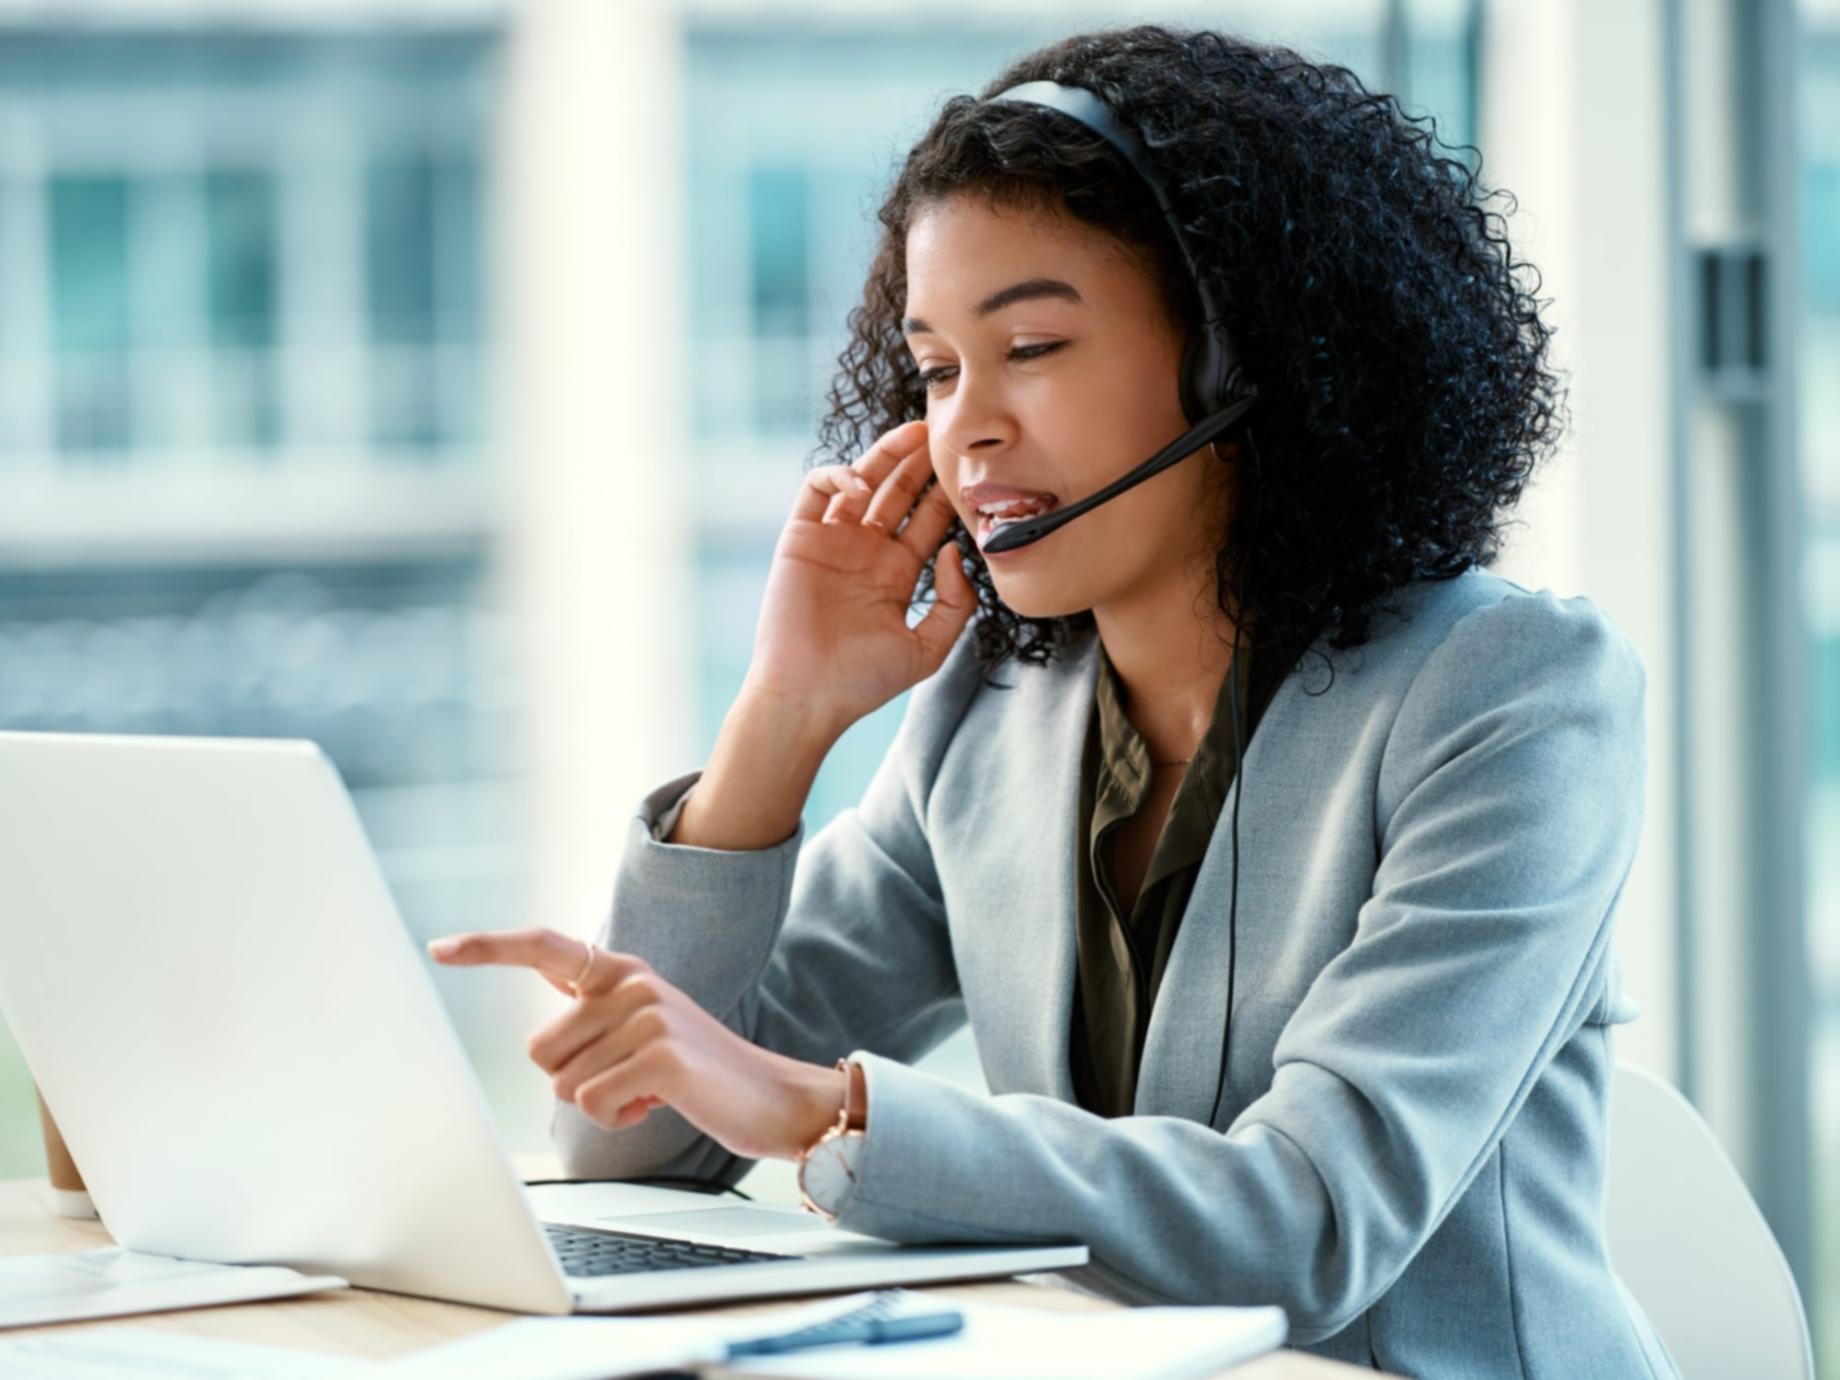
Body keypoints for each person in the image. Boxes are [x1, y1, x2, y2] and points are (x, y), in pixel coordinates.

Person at [430, 23, 1682, 1377]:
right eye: (935, 366)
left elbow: (1314, 1222)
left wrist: (818, 1111)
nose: (966, 428)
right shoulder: (994, 716)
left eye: (1030, 344)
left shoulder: (1511, 697)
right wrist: (785, 717)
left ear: (1241, 360)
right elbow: (638, 1139)